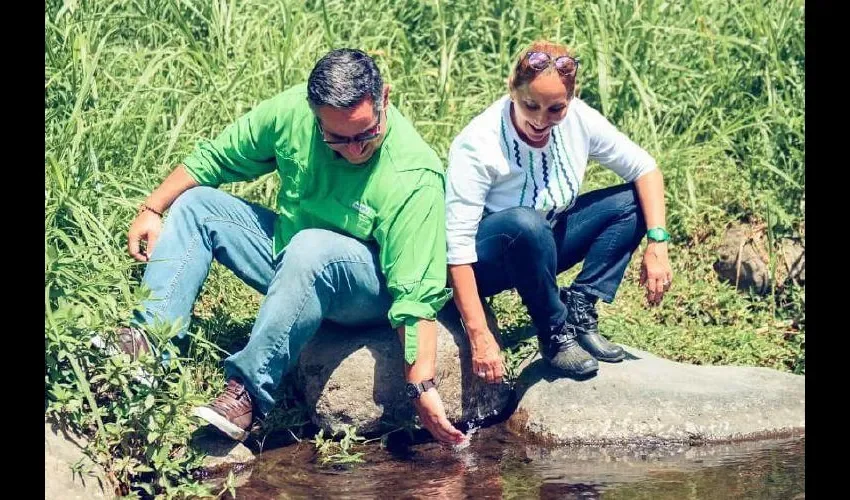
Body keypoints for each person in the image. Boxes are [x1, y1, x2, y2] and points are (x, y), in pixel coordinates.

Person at [117, 48, 465, 445]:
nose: (354, 149)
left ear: (384, 98)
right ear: (314, 114)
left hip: (367, 290)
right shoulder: (290, 114)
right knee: (197, 205)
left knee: (311, 248)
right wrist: (151, 208)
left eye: (366, 133)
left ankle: (247, 391)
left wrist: (421, 385)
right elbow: (214, 159)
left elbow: (415, 298)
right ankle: (147, 346)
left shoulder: (413, 176)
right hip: (291, 257)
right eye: (337, 137)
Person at [445, 40, 673, 381]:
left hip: (543, 243)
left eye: (555, 109)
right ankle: (553, 333)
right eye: (530, 105)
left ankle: (580, 307)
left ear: (571, 98)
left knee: (632, 201)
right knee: (526, 223)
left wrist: (657, 241)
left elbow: (645, 168)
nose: (540, 119)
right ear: (512, 89)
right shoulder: (478, 143)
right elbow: (457, 247)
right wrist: (479, 333)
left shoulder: (580, 119)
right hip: (488, 260)